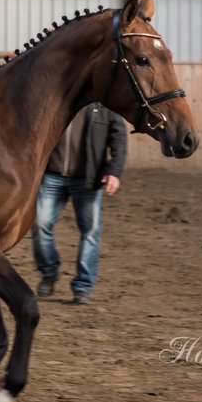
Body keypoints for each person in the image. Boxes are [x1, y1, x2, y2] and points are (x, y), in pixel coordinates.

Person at [32, 103, 127, 305]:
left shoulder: (104, 105)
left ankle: (83, 287)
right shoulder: (60, 97)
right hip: (51, 176)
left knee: (90, 232)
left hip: (87, 180)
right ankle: (49, 272)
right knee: (40, 224)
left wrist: (114, 171)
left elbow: (118, 137)